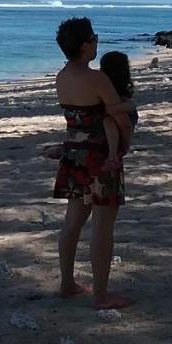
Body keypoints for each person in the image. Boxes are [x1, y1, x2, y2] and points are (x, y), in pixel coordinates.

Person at [50, 17, 135, 310]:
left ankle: (67, 283)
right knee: (102, 226)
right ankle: (101, 295)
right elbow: (119, 115)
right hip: (100, 157)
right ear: (85, 45)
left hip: (74, 154)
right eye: (94, 38)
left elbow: (77, 120)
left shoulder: (62, 77)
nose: (97, 42)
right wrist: (123, 145)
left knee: (72, 222)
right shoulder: (96, 79)